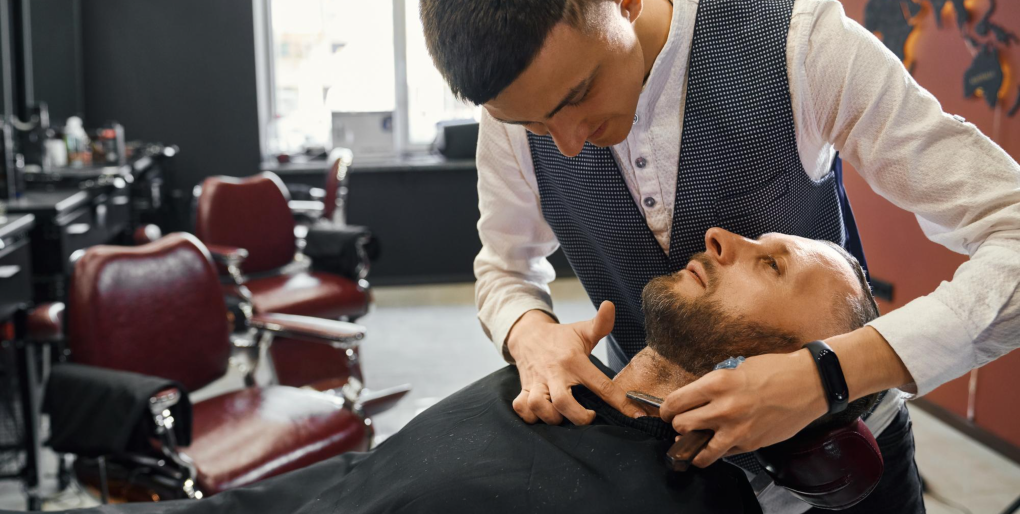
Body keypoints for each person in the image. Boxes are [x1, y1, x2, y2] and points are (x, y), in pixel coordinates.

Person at [419, 0, 1020, 512]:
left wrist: (830, 373)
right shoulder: (519, 108)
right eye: (534, 124)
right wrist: (529, 333)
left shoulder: (804, 44)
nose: (569, 144)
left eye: (580, 93)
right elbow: (505, 266)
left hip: (838, 445)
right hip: (661, 462)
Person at [23, 230, 884, 514]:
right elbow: (360, 482)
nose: (724, 237)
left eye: (770, 266)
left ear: (773, 374)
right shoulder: (556, 375)